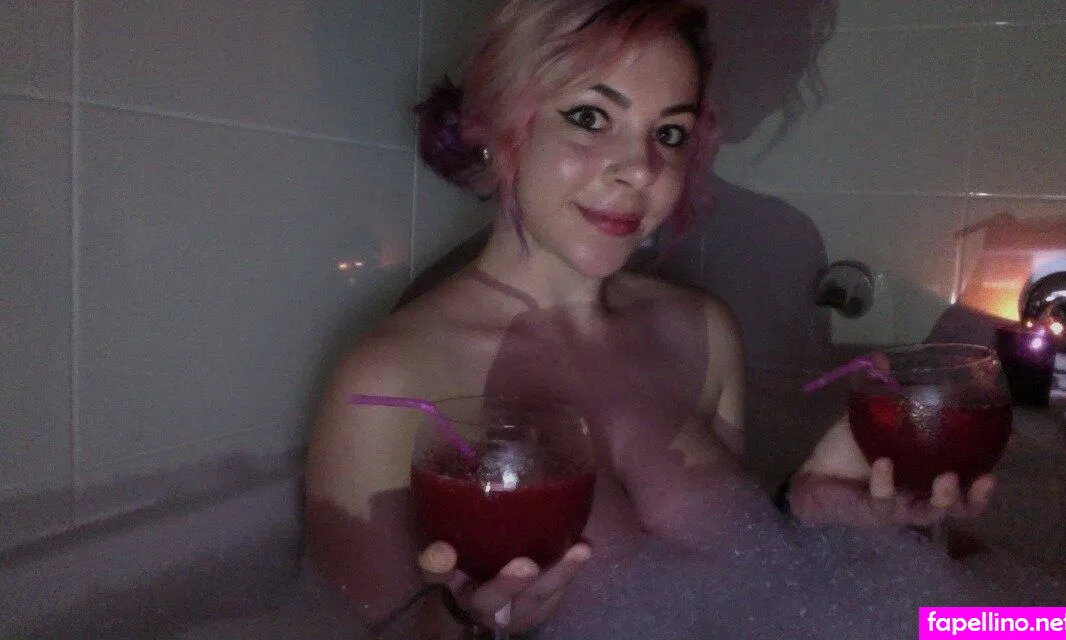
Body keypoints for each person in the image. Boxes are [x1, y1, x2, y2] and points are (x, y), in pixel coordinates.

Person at [303, 1, 994, 636]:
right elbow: (340, 626)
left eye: (668, 133)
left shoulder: (703, 331)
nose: (640, 167)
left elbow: (746, 596)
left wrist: (812, 514)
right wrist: (466, 623)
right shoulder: (390, 378)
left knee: (1029, 626)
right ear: (494, 123)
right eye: (589, 117)